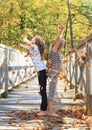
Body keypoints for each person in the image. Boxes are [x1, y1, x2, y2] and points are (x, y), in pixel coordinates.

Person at [18, 35, 47, 116]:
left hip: (42, 71)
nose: (32, 38)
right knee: (42, 91)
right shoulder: (32, 48)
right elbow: (26, 46)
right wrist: (20, 45)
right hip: (40, 72)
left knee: (43, 91)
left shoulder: (36, 47)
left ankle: (43, 110)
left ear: (36, 41)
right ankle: (43, 109)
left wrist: (25, 39)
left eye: (33, 38)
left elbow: (29, 44)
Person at [47, 24, 65, 117]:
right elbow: (58, 40)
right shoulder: (54, 50)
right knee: (52, 91)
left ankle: (50, 109)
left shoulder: (56, 52)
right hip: (53, 73)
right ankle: (50, 111)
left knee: (52, 91)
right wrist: (60, 31)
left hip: (54, 73)